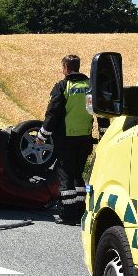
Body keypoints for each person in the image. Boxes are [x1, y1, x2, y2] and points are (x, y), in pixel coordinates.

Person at [36, 55, 108, 225]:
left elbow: (53, 113)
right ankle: (81, 212)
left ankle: (68, 215)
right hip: (85, 139)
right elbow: (101, 112)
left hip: (65, 139)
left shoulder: (63, 86)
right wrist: (104, 135)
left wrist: (42, 136)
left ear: (66, 67)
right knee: (78, 175)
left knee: (66, 176)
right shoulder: (91, 86)